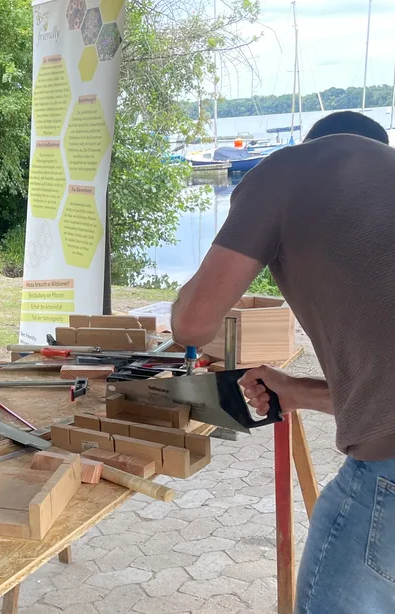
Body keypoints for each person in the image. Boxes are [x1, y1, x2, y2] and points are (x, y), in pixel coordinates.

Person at [171, 111, 395, 613]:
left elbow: (192, 326)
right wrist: (296, 391)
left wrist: (179, 310)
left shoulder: (290, 169)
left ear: (314, 145)